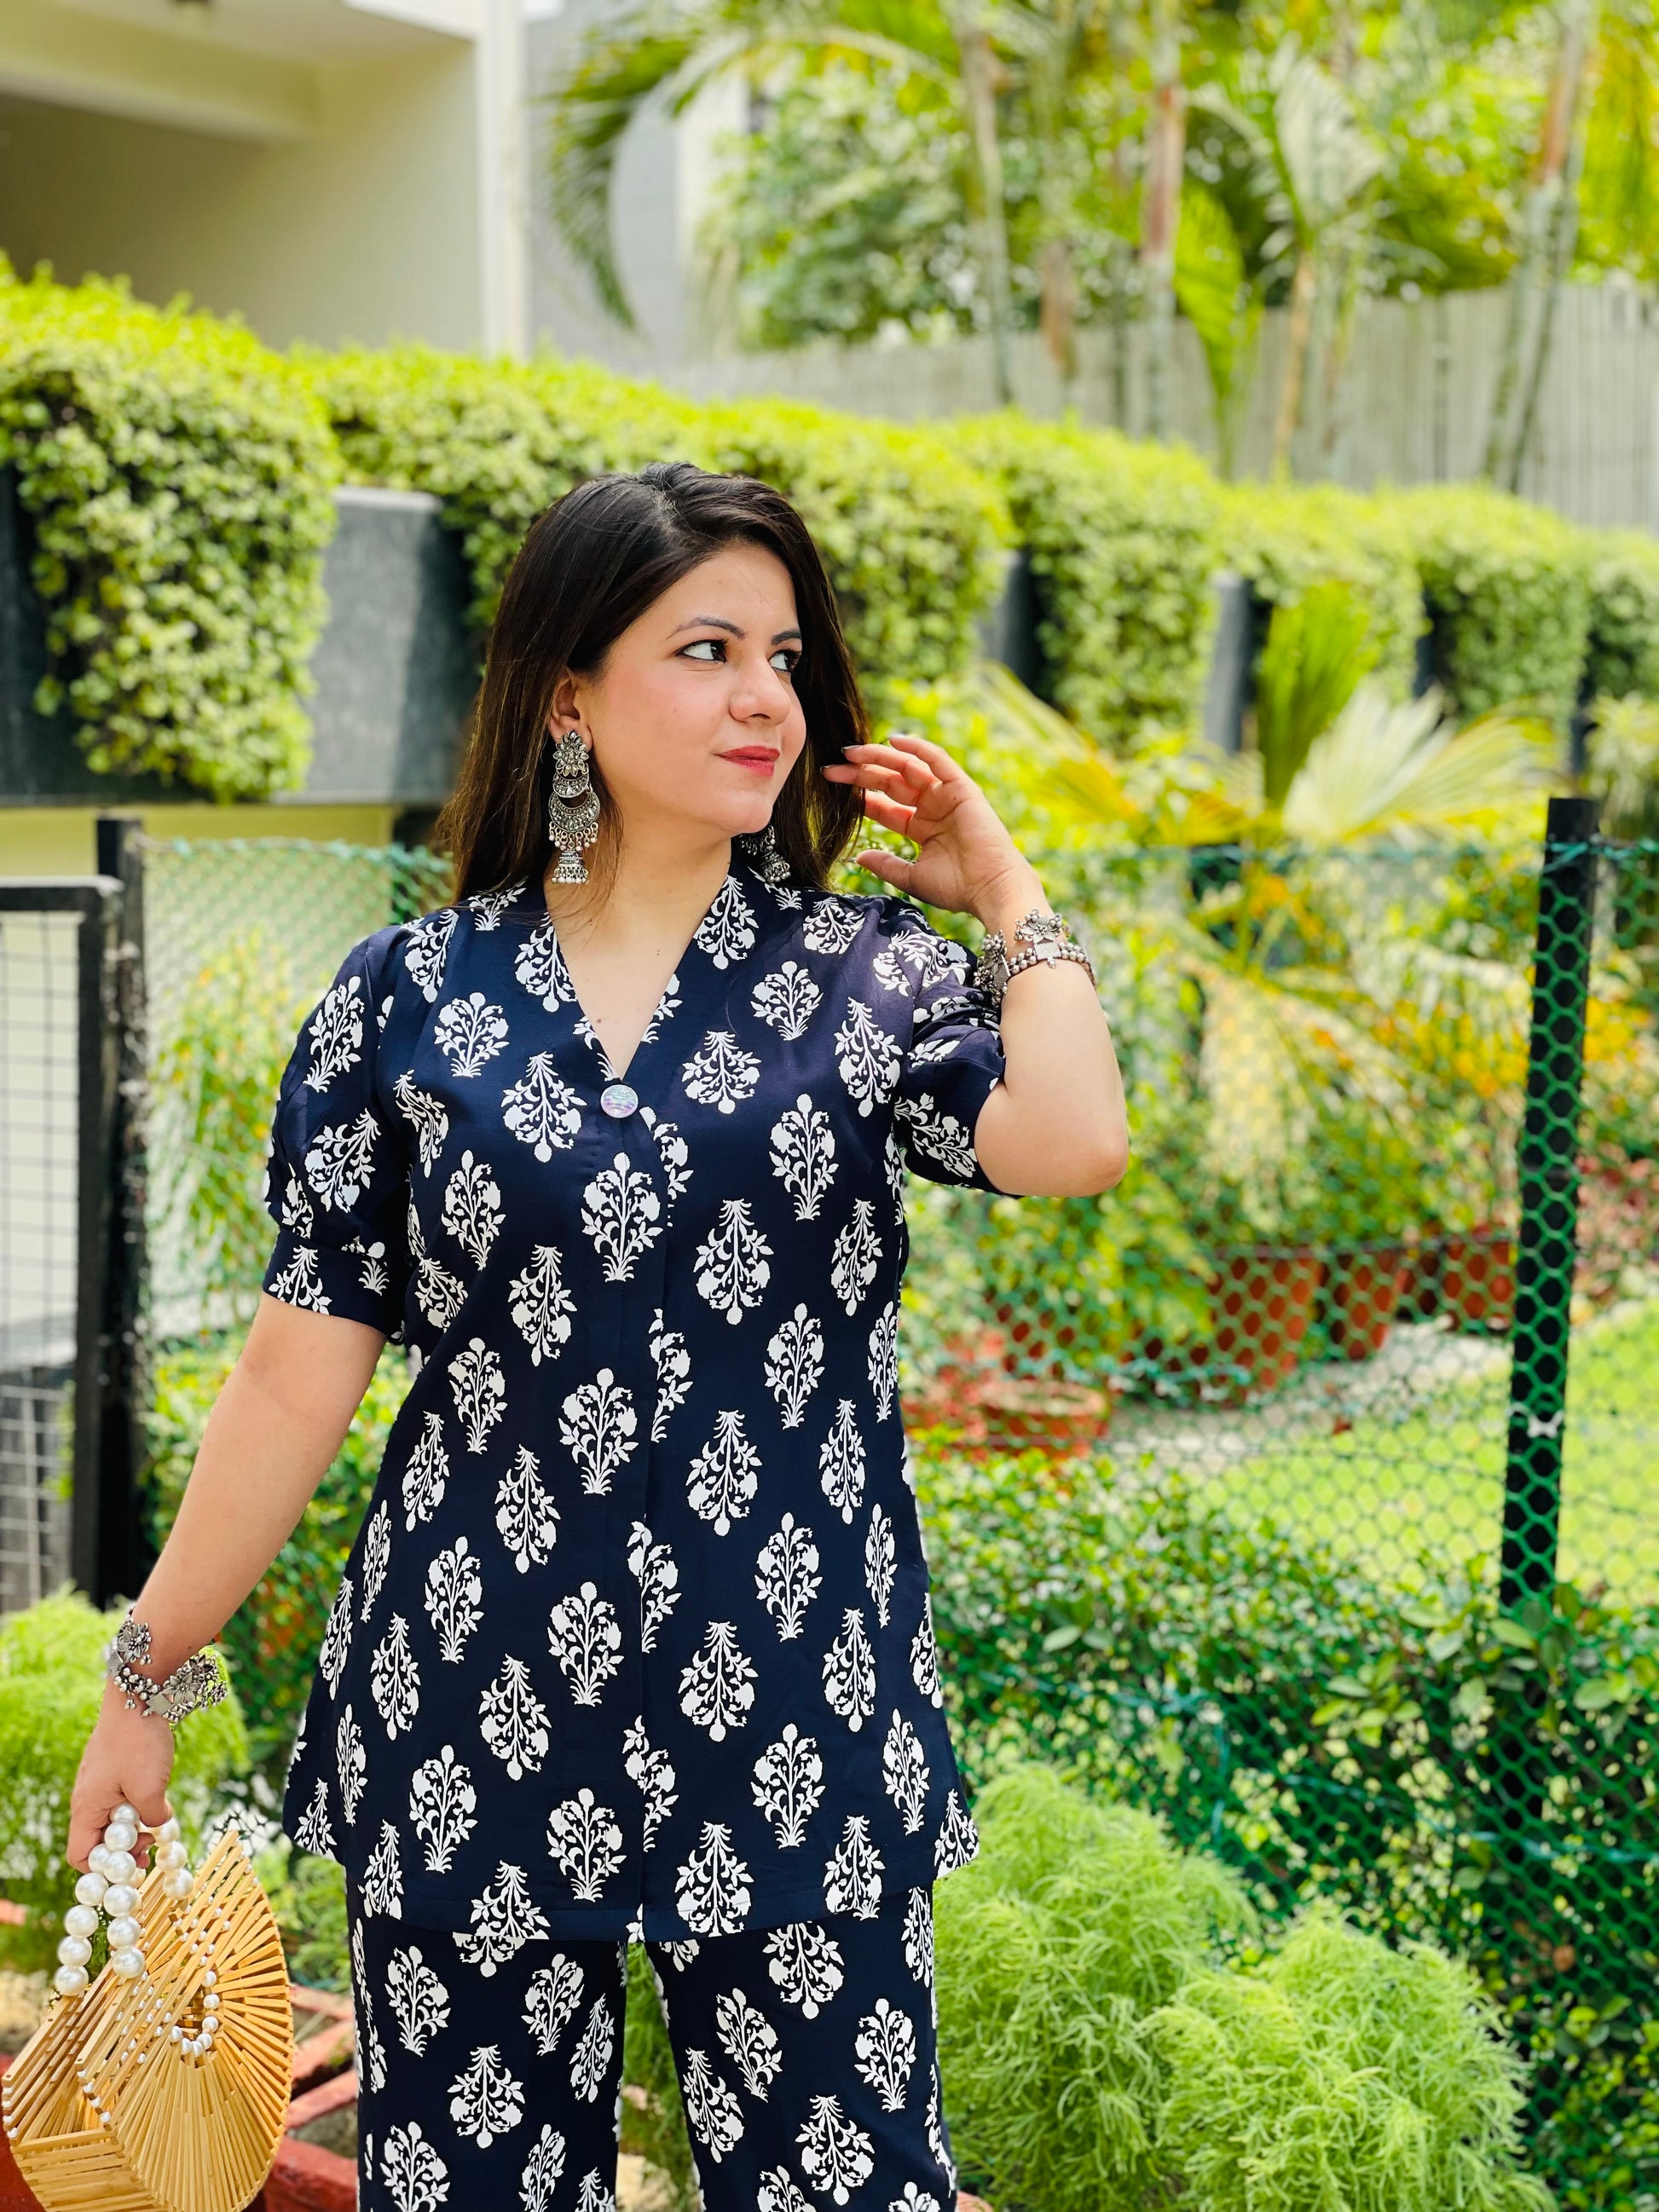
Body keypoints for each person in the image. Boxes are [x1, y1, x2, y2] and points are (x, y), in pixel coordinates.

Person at [65, 461, 1126, 2212]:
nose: (764, 696)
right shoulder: (404, 999)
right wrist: (147, 1677)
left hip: (794, 1707)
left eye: (784, 656)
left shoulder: (870, 977)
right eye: (706, 649)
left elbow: (1072, 1137)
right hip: (467, 1704)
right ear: (568, 695)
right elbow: (291, 1372)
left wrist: (1004, 888)